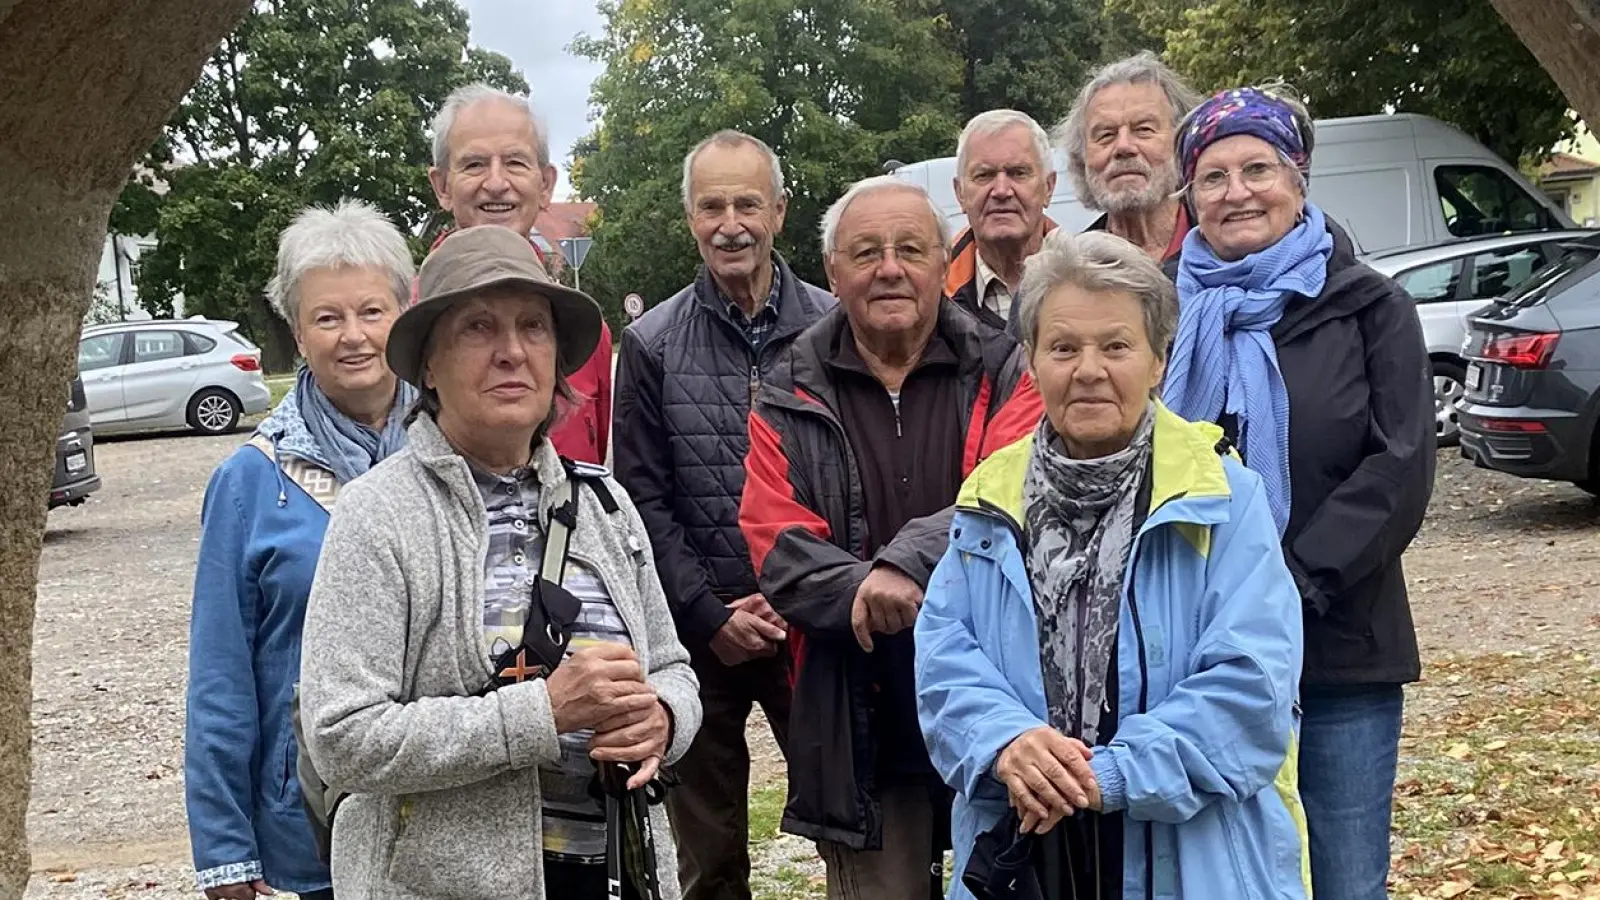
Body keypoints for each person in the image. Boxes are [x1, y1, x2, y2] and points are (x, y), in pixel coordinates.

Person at [299, 225, 702, 899]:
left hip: (616, 872)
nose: (513, 351)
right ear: (428, 364)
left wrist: (662, 717)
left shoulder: (606, 504)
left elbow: (672, 667)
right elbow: (341, 735)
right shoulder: (379, 514)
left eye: (533, 327)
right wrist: (541, 714)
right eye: (479, 328)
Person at [915, 229, 1309, 900]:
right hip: (1026, 855)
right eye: (1064, 347)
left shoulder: (1223, 498)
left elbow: (1254, 688)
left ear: (1159, 360)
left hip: (1194, 860)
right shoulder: (989, 495)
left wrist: (1112, 775)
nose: (1089, 370)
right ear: (1033, 362)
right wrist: (1006, 742)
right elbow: (945, 660)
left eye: (1117, 346)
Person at [1161, 85, 1435, 900]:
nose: (1237, 191)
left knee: (1346, 882)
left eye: (1258, 168)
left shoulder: (1371, 307)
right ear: (1189, 198)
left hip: (1339, 646)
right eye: (1213, 176)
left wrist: (1288, 583)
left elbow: (1401, 465)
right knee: (1220, 879)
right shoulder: (1162, 311)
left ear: (1300, 180)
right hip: (1199, 653)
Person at [738, 176, 1040, 898]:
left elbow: (1016, 495)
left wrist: (903, 564)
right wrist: (867, 590)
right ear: (833, 273)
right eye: (866, 251)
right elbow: (776, 544)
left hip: (997, 702)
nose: (890, 267)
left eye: (910, 248)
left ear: (944, 263)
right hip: (858, 714)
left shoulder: (1006, 367)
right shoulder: (787, 387)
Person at [613, 130, 835, 900]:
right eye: (713, 205)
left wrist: (797, 593)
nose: (730, 223)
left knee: (850, 834)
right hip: (696, 634)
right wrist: (709, 613)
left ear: (778, 210)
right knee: (708, 859)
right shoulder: (650, 343)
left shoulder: (835, 329)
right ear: (690, 218)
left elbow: (854, 485)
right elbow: (640, 499)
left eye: (747, 203)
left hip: (812, 625)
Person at [184, 200, 418, 900]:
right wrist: (225, 850)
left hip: (448, 817)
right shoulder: (248, 484)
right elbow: (220, 676)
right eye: (327, 318)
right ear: (297, 332)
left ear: (405, 314)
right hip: (311, 829)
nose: (353, 336)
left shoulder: (458, 453)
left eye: (372, 312)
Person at [427, 83, 612, 463]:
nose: (496, 184)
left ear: (545, 184)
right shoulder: (404, 322)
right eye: (474, 164)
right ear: (443, 186)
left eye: (515, 162)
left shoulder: (588, 335)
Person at [1054, 51, 1200, 262]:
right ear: (1082, 157)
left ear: (1183, 143)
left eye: (1143, 129)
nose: (1123, 146)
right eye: (1106, 135)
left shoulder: (1231, 254)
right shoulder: (1065, 274)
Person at [946, 110, 1058, 333]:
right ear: (960, 194)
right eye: (984, 175)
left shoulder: (1092, 276)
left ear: (1049, 187)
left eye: (1018, 173)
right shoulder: (934, 295)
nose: (1001, 191)